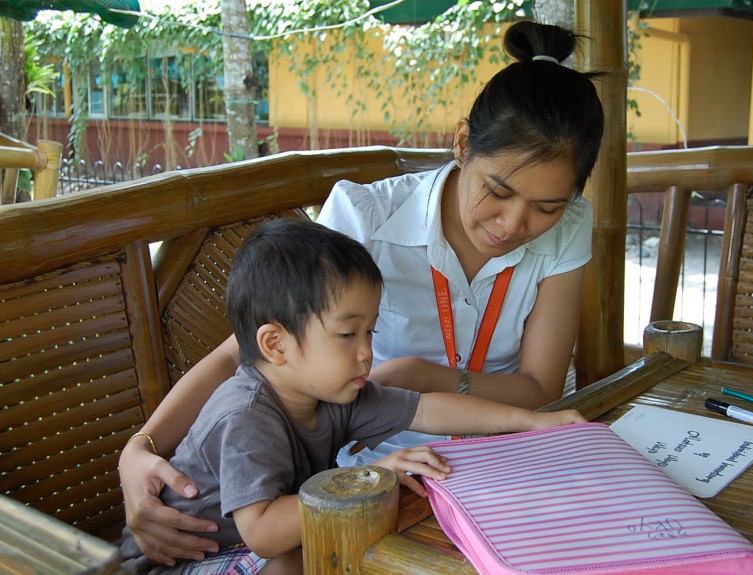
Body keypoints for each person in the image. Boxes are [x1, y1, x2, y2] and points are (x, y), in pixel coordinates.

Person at [119, 20, 604, 566]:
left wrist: (425, 377)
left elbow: (528, 388)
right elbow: (248, 350)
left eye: (547, 207)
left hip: (474, 465)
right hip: (358, 481)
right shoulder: (366, 218)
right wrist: (140, 449)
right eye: (498, 191)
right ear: (464, 144)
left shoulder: (569, 226)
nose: (514, 223)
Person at [119, 218, 582, 574]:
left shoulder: (334, 391)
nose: (367, 352)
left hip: (251, 546)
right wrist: (368, 478)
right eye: (347, 334)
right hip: (184, 559)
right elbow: (262, 532)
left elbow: (429, 407)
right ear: (275, 344)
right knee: (296, 561)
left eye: (370, 331)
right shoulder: (245, 416)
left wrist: (535, 422)